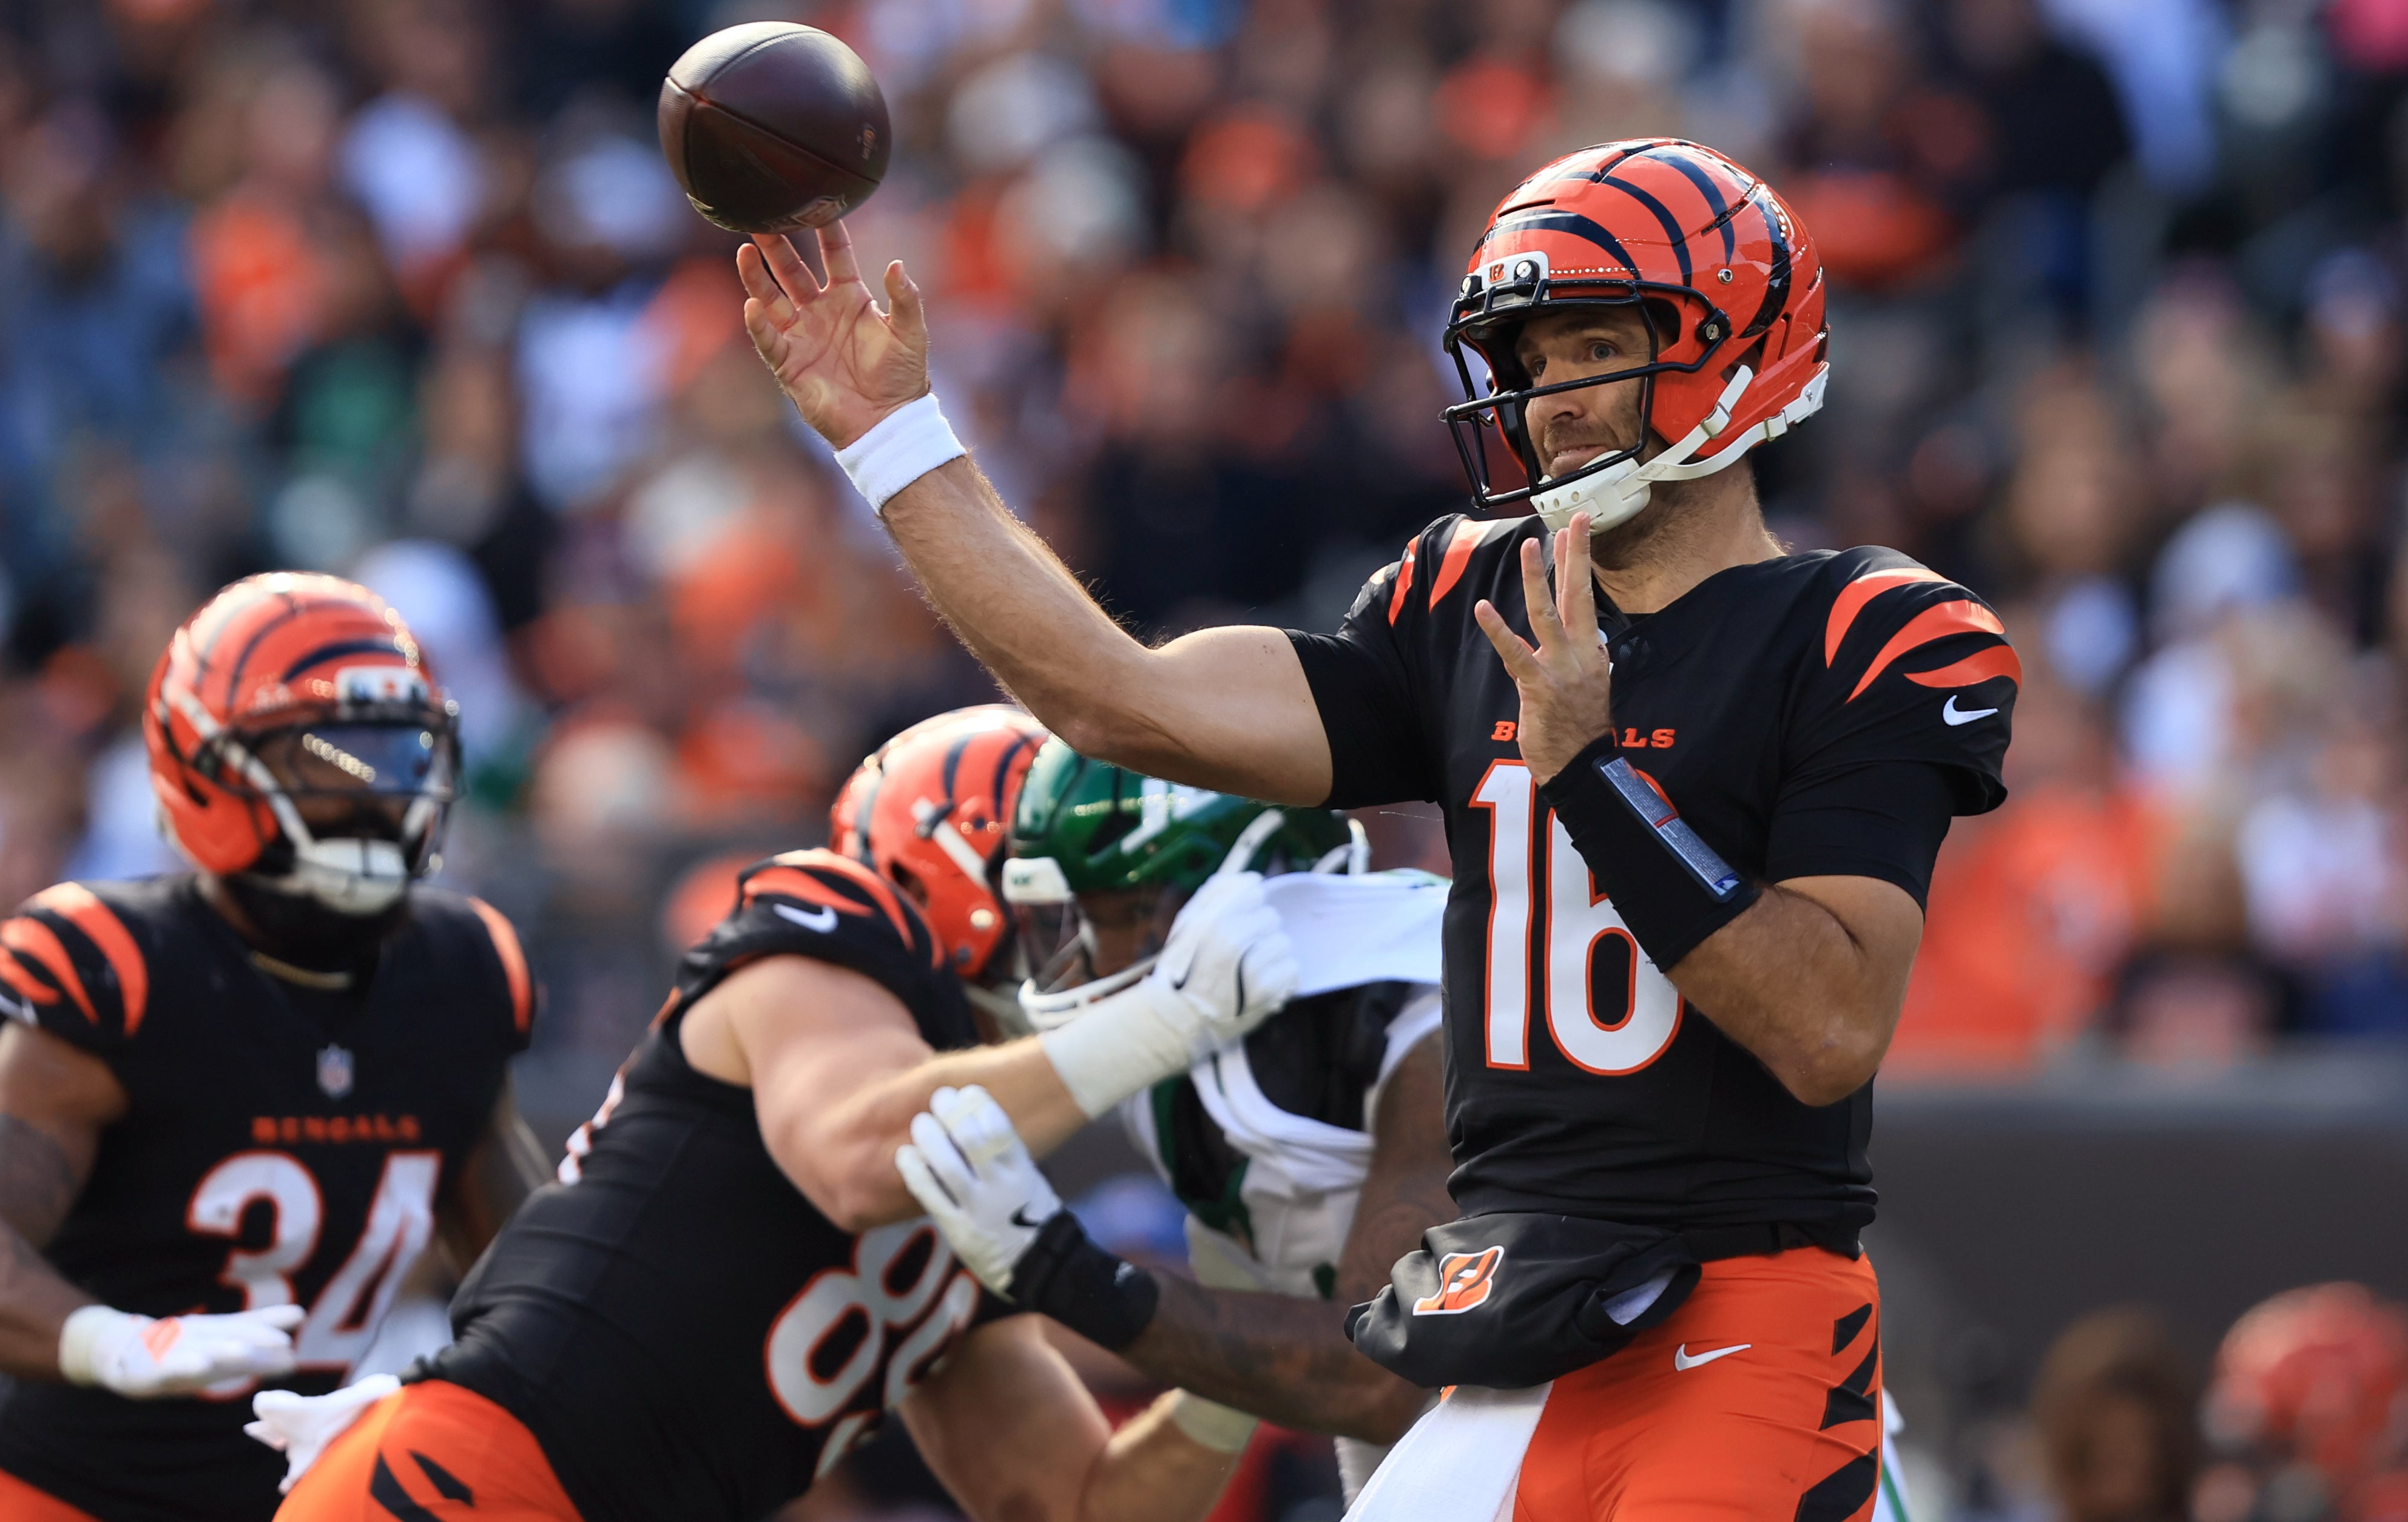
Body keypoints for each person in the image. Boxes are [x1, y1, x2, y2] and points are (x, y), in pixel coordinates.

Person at [737, 136, 2017, 1522]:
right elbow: (1122, 700)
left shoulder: (1864, 626)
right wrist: (893, 440)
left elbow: (1826, 1027)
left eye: (1593, 346)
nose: (1550, 401)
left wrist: (1586, 767)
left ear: (1736, 346)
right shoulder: (1463, 604)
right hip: (1514, 1322)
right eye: (1526, 364)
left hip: (1741, 1306)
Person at [265, 706, 1292, 1522]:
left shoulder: (971, 1160)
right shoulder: (821, 935)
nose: (1111, 955)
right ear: (959, 889)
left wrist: (1233, 1359)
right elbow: (858, 1154)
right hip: (471, 1478)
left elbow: (1075, 1501)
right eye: (1079, 914)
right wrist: (1166, 1021)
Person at [0, 573, 548, 1522]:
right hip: (61, 1496)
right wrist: (115, 1342)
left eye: (396, 752)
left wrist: (443, 1389)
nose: (375, 791)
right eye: (329, 757)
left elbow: (531, 1273)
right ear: (205, 766)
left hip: (298, 1500)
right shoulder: (130, 969)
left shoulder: (461, 973)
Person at [903, 741, 1452, 1504]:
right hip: (1419, 1460)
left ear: (1250, 880)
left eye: (1128, 913)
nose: (1092, 961)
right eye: (1076, 920)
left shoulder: (1429, 1019)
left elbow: (1378, 1377)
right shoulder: (1193, 1034)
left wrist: (1063, 1270)